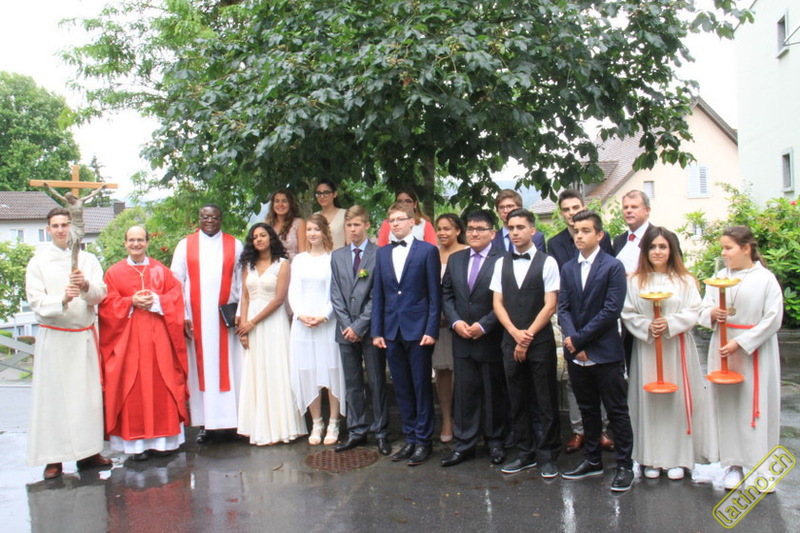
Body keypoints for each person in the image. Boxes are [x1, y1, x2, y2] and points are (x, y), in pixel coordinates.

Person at [25, 207, 110, 479]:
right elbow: (35, 300)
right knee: (54, 400)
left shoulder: (88, 259)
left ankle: (88, 452)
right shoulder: (38, 262)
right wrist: (62, 299)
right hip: (55, 338)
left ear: (72, 228)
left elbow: (101, 294)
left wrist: (85, 286)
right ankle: (53, 458)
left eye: (65, 225)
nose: (61, 230)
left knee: (85, 399)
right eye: (56, 225)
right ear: (48, 229)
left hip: (82, 337)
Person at [699, 226, 783, 490]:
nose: (723, 253)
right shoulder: (719, 277)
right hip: (724, 347)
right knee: (729, 407)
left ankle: (761, 467)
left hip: (754, 350)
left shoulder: (765, 279)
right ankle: (732, 465)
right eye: (722, 248)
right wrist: (712, 313)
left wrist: (742, 342)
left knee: (756, 407)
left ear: (746, 248)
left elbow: (773, 318)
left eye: (728, 248)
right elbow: (703, 308)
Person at [621, 226, 707, 481]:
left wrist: (670, 323)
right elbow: (627, 312)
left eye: (662, 247)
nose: (657, 252)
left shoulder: (685, 281)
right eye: (652, 247)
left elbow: (694, 310)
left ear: (671, 250)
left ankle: (677, 458)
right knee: (649, 403)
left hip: (676, 347)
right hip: (647, 347)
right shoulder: (635, 281)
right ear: (645, 251)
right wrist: (647, 326)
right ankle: (651, 458)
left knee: (676, 402)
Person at [559, 210, 634, 492]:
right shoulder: (568, 268)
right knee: (588, 409)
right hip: (576, 353)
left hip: (604, 352)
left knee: (616, 411)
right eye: (576, 231)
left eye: (586, 230)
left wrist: (580, 341)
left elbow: (611, 310)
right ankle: (592, 460)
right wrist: (573, 341)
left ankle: (625, 466)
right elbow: (563, 308)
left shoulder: (613, 266)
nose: (579, 235)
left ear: (600, 235)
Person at [99, 225, 189, 461]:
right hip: (128, 340)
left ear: (148, 242)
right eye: (131, 240)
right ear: (125, 243)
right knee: (132, 388)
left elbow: (176, 297)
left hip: (159, 338)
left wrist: (157, 300)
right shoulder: (114, 273)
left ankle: (163, 442)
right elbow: (106, 305)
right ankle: (136, 446)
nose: (136, 244)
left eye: (140, 240)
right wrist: (130, 301)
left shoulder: (161, 270)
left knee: (163, 383)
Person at [490, 208, 561, 478]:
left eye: (520, 227)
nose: (515, 232)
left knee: (545, 398)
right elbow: (497, 303)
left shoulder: (548, 262)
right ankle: (524, 452)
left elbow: (550, 304)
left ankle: (548, 454)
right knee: (516, 398)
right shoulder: (501, 264)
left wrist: (527, 336)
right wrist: (514, 333)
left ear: (533, 230)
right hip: (510, 342)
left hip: (539, 341)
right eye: (511, 228)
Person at [372, 201, 441, 465]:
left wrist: (431, 329)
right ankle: (410, 438)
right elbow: (379, 295)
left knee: (421, 386)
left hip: (419, 330)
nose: (396, 224)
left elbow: (434, 295)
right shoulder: (382, 254)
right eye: (392, 220)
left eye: (400, 219)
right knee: (401, 387)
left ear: (412, 222)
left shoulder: (427, 251)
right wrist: (377, 331)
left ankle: (424, 441)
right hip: (391, 330)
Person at [546, 189, 615, 455]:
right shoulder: (555, 243)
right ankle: (579, 430)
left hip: (598, 320)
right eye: (566, 209)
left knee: (601, 377)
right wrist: (573, 334)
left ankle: (603, 430)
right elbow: (563, 285)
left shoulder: (601, 237)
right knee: (574, 380)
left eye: (575, 207)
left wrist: (589, 333)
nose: (571, 213)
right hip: (570, 317)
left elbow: (606, 279)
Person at [171, 205, 243, 444]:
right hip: (197, 319)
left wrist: (240, 312)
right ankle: (206, 423)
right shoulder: (185, 245)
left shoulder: (235, 245)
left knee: (230, 368)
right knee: (202, 371)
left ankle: (233, 422)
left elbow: (242, 281)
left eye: (214, 216)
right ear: (199, 219)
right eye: (205, 216)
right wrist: (183, 314)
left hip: (226, 319)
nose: (210, 220)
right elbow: (176, 281)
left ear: (221, 219)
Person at [440, 210, 507, 467]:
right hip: (461, 337)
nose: (474, 233)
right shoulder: (456, 259)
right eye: (470, 229)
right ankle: (464, 444)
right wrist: (455, 321)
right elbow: (446, 294)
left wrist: (484, 325)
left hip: (490, 337)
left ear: (492, 233)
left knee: (493, 393)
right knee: (464, 394)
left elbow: (506, 298)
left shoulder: (503, 259)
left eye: (480, 229)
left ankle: (495, 442)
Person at [236, 223, 306, 445]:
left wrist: (252, 322)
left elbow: (278, 300)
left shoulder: (282, 264)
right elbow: (245, 297)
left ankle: (281, 427)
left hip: (273, 323)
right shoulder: (248, 265)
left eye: (263, 235)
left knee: (276, 371)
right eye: (254, 237)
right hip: (251, 325)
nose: (258, 239)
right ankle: (259, 427)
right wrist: (243, 327)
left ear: (271, 238)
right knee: (256, 372)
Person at [330, 206, 391, 455]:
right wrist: (347, 326)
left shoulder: (380, 254)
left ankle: (381, 432)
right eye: (349, 225)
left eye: (356, 225)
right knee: (352, 383)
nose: (352, 230)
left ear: (367, 225)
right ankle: (356, 430)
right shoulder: (337, 256)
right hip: (345, 331)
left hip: (371, 329)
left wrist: (359, 326)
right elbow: (335, 295)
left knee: (377, 381)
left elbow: (378, 294)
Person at [289, 214, 346, 445]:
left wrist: (324, 316)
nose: (312, 234)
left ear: (325, 232)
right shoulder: (299, 261)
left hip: (327, 324)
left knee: (331, 370)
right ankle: (317, 422)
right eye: (309, 230)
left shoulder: (333, 259)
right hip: (303, 325)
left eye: (316, 229)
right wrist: (301, 314)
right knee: (308, 371)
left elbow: (337, 292)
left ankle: (333, 422)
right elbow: (293, 291)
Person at [431, 213, 467, 443]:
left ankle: (465, 420)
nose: (442, 233)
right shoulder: (431, 254)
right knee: (442, 372)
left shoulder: (466, 252)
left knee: (464, 373)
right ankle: (446, 420)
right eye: (439, 228)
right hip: (437, 324)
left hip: (462, 322)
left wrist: (453, 316)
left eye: (447, 228)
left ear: (458, 231)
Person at [491, 189, 546, 254]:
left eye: (509, 206)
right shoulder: (491, 239)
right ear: (497, 211)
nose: (505, 211)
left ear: (520, 208)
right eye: (501, 207)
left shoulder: (536, 237)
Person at [612, 190, 652, 274]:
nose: (628, 211)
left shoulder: (660, 237)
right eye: (625, 207)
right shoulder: (618, 241)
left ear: (647, 210)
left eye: (634, 207)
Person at [265, 189, 307, 260]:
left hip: (294, 264)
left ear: (290, 204)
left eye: (284, 201)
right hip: (272, 264)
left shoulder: (299, 223)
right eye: (277, 201)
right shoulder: (267, 225)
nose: (280, 204)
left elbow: (302, 253)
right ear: (272, 205)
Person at [314, 178, 347, 250]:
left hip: (340, 255)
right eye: (319, 193)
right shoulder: (315, 217)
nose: (322, 196)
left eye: (326, 193)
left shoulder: (345, 214)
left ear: (335, 194)